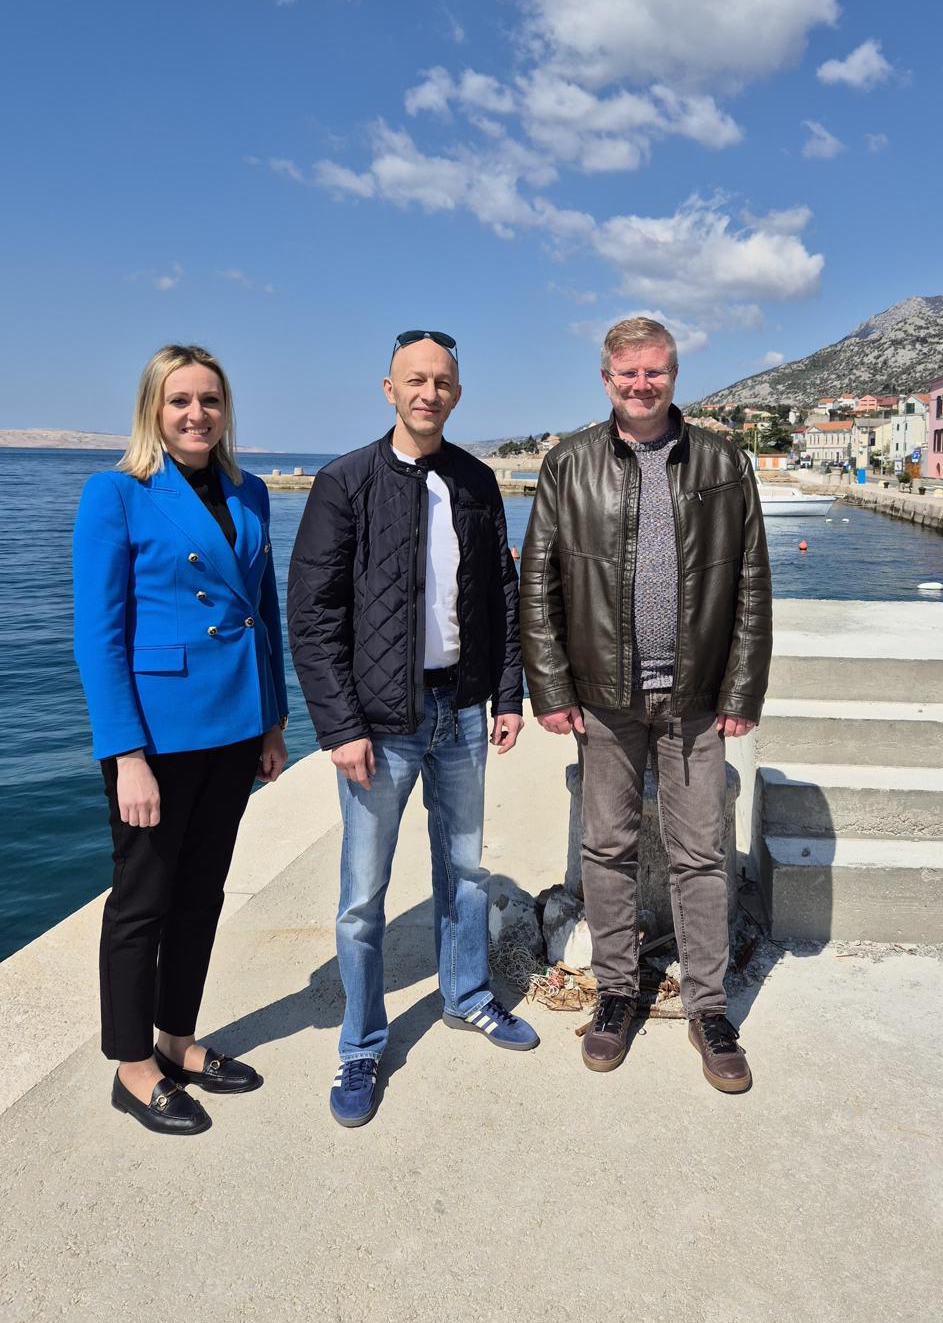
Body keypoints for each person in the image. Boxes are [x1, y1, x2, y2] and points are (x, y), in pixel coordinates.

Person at [288, 328, 536, 1129]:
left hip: (462, 712)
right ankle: (361, 1044)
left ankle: (467, 996)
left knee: (465, 872)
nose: (430, 393)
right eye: (416, 380)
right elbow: (313, 616)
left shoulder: (476, 480)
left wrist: (507, 696)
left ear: (457, 394)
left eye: (443, 383)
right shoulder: (345, 482)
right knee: (363, 896)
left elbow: (500, 598)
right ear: (389, 389)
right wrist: (340, 727)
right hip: (378, 724)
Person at [520, 317, 772, 1093]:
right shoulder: (569, 464)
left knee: (701, 852)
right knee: (606, 847)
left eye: (655, 371)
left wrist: (741, 689)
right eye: (627, 373)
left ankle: (708, 1008)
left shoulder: (723, 463)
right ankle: (617, 994)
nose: (641, 384)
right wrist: (551, 688)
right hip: (603, 698)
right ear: (606, 379)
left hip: (695, 697)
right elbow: (538, 584)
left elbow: (752, 581)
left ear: (674, 375)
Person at [73, 344, 288, 1137]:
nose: (197, 414)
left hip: (234, 725)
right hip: (158, 736)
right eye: (180, 401)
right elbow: (99, 635)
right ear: (153, 410)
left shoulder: (250, 491)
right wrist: (125, 754)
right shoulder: (117, 493)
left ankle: (176, 1039)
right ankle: (133, 1066)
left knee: (202, 894)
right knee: (143, 900)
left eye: (211, 400)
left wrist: (273, 720)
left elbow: (263, 611)